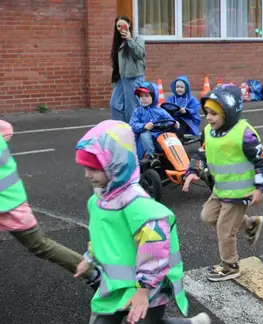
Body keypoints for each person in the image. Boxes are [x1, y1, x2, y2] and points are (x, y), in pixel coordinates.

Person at [75, 120, 210, 324]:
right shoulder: (97, 202)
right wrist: (90, 258)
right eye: (85, 167)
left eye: (93, 168)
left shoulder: (138, 206)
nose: (87, 174)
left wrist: (143, 289)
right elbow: (100, 236)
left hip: (148, 286)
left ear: (115, 164)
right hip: (115, 286)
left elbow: (155, 249)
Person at [182, 84, 263, 282]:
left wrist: (260, 188)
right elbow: (202, 153)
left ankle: (230, 265)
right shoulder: (209, 132)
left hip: (240, 193)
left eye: (215, 113)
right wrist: (192, 171)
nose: (209, 117)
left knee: (224, 230)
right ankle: (250, 224)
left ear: (230, 112)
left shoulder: (244, 134)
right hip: (220, 189)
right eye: (207, 112)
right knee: (207, 217)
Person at [0, 119, 98, 289]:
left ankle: (94, 273)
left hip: (9, 205)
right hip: (12, 200)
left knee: (39, 245)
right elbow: (6, 129)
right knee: (40, 245)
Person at [130, 82, 178, 163]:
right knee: (145, 134)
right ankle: (151, 156)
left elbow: (170, 120)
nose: (143, 98)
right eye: (141, 96)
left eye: (146, 96)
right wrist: (144, 126)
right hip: (144, 142)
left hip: (160, 138)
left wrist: (175, 123)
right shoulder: (137, 111)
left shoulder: (160, 111)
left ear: (154, 96)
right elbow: (132, 125)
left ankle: (177, 154)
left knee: (171, 136)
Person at [110, 16, 146, 123]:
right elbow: (116, 63)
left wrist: (130, 40)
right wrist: (115, 80)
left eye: (123, 25)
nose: (121, 28)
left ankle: (133, 131)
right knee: (114, 104)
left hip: (134, 78)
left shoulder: (137, 39)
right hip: (122, 79)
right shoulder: (118, 41)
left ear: (129, 25)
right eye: (118, 26)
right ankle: (121, 129)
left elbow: (140, 54)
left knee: (131, 108)